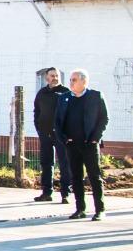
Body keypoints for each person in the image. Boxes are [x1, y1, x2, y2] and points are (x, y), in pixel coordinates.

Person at [58, 68, 108, 220]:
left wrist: (95, 138)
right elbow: (58, 121)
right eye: (71, 80)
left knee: (94, 176)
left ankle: (100, 209)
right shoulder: (64, 98)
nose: (71, 83)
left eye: (74, 80)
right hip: (72, 145)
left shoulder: (95, 96)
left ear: (84, 81)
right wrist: (64, 139)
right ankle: (80, 208)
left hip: (89, 144)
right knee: (76, 177)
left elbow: (103, 119)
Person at [32, 67, 71, 203]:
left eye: (56, 75)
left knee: (64, 163)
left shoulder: (66, 92)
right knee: (46, 163)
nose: (54, 78)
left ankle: (65, 193)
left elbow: (71, 114)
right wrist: (39, 128)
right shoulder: (42, 93)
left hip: (61, 135)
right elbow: (36, 111)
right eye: (52, 76)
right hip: (45, 134)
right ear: (46, 78)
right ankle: (47, 192)